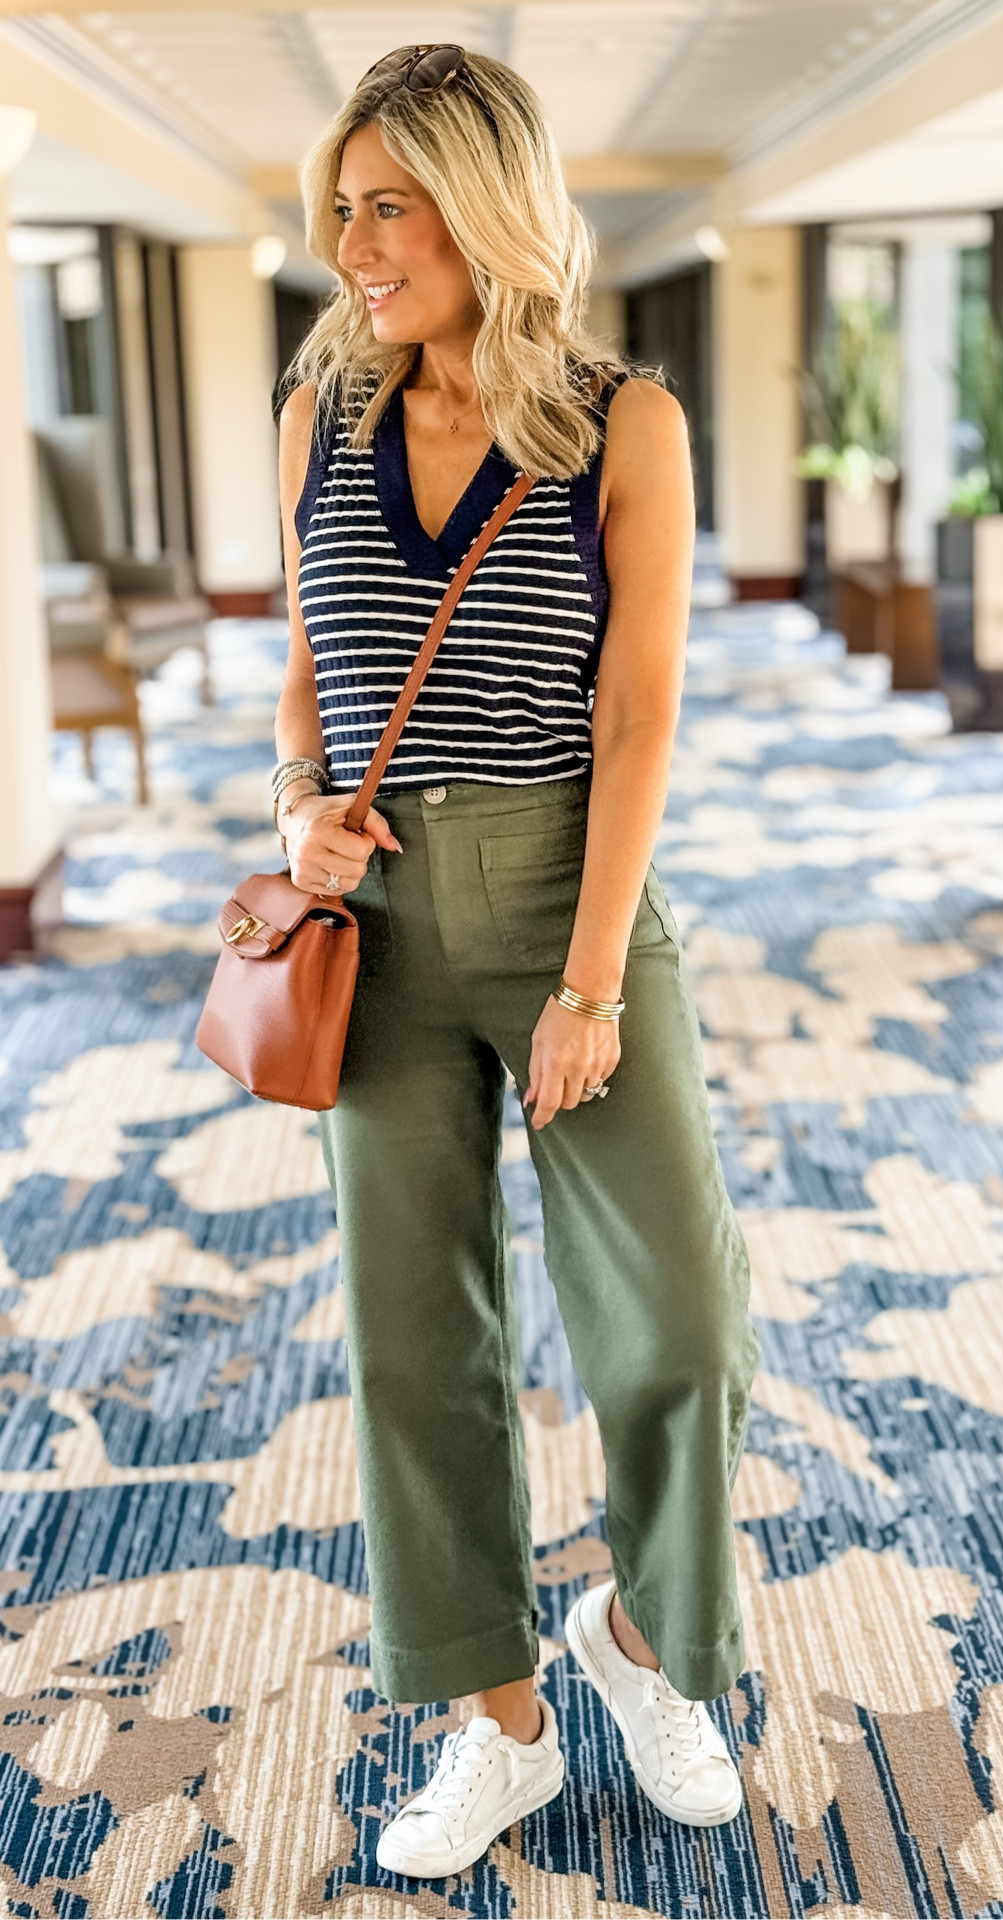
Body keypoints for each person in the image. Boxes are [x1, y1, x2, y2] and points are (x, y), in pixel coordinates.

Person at [272, 42, 761, 1884]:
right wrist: (296, 812)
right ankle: (500, 1721)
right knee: (417, 1338)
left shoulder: (625, 422)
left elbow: (637, 717)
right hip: (380, 926)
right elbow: (309, 669)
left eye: (388, 206)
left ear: (485, 208)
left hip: (576, 893)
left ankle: (638, 1640)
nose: (353, 244)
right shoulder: (319, 413)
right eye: (343, 208)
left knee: (684, 1319)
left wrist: (592, 983)